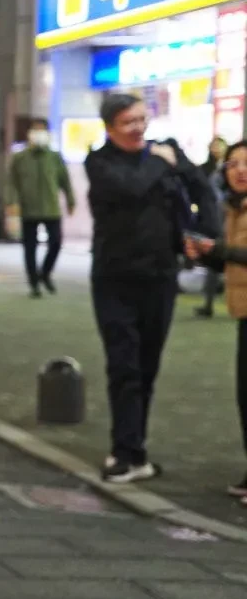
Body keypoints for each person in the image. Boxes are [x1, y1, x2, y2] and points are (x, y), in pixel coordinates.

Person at [85, 93, 214, 483]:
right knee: (124, 365)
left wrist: (207, 237)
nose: (138, 128)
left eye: (142, 119)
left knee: (147, 366)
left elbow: (203, 189)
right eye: (128, 122)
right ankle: (125, 451)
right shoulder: (100, 163)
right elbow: (132, 189)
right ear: (109, 128)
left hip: (160, 277)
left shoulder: (166, 152)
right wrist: (161, 162)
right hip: (115, 278)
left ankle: (135, 449)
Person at [183, 140, 247, 505]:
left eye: (246, 163)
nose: (239, 170)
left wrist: (217, 251)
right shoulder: (233, 208)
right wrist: (207, 256)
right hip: (242, 311)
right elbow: (232, 263)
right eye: (233, 164)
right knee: (244, 398)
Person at [7, 118, 76, 298]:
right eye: (35, 130)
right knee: (30, 247)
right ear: (29, 134)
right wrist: (11, 203)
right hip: (28, 209)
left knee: (56, 242)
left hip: (51, 208)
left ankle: (45, 273)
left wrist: (71, 200)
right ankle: (34, 283)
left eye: (42, 130)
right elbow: (12, 183)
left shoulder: (54, 157)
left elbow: (65, 181)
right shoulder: (20, 158)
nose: (38, 134)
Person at [198, 136, 229, 318]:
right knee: (215, 258)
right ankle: (208, 304)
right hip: (218, 221)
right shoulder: (208, 170)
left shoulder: (229, 167)